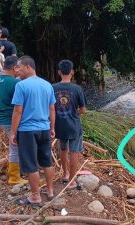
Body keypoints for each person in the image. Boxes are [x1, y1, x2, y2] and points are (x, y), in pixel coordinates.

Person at [10, 56, 56, 205]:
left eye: (19, 67)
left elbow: (17, 111)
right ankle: (50, 191)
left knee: (30, 164)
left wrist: (13, 132)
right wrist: (52, 127)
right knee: (47, 161)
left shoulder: (21, 86)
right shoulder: (47, 85)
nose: (16, 70)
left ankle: (35, 196)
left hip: (27, 130)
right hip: (44, 128)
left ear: (28, 67)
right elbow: (52, 108)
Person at [0, 56, 27, 185]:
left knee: (16, 145)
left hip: (1, 119)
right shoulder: (15, 83)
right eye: (18, 68)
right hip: (12, 119)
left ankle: (20, 170)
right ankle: (14, 176)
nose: (19, 71)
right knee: (15, 147)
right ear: (14, 68)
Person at [53, 60, 86, 190]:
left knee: (63, 149)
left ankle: (65, 174)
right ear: (72, 72)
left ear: (59, 72)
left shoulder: (52, 88)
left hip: (59, 125)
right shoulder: (77, 89)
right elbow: (83, 110)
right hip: (73, 125)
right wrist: (75, 112)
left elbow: (50, 107)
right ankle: (72, 181)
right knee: (74, 152)